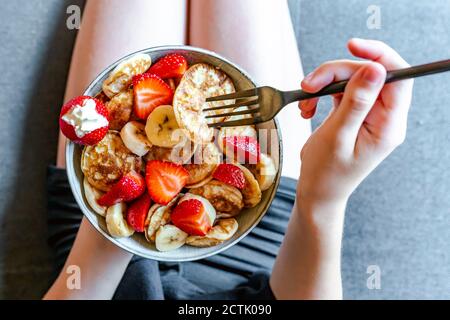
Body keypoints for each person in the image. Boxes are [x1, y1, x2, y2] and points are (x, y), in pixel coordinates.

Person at [44, 0, 413, 299]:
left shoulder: (106, 217)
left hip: (95, 240)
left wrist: (116, 221)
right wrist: (323, 199)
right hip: (260, 232)